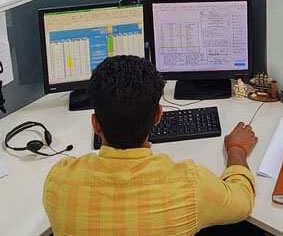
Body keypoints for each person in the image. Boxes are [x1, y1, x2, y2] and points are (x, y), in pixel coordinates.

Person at [43, 55, 258, 236]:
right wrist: (237, 150)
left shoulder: (58, 182)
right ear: (157, 116)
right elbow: (242, 201)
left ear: (95, 123)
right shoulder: (189, 185)